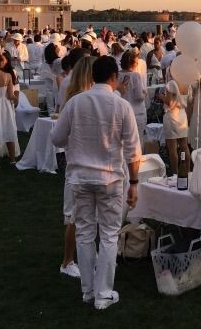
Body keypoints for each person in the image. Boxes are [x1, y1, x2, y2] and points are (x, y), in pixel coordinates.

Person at [50, 56, 141, 310]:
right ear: (113, 77)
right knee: (109, 235)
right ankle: (101, 293)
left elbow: (56, 138)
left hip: (80, 177)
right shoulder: (121, 106)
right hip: (110, 178)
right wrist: (134, 183)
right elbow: (134, 151)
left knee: (85, 233)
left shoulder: (75, 102)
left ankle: (89, 291)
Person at [58, 56, 96, 280]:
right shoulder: (75, 101)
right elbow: (59, 137)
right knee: (75, 216)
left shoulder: (82, 99)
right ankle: (67, 260)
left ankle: (89, 255)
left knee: (91, 215)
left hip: (88, 162)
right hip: (77, 163)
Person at [162, 70, 191, 175]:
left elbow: (169, 102)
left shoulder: (172, 83)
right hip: (182, 116)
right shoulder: (187, 83)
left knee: (172, 149)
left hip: (172, 116)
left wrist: (161, 97)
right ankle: (187, 171)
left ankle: (175, 173)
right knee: (184, 146)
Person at [119, 50, 147, 145]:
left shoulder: (117, 75)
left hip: (121, 112)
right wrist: (145, 94)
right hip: (136, 112)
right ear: (132, 63)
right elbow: (139, 96)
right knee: (138, 140)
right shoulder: (135, 76)